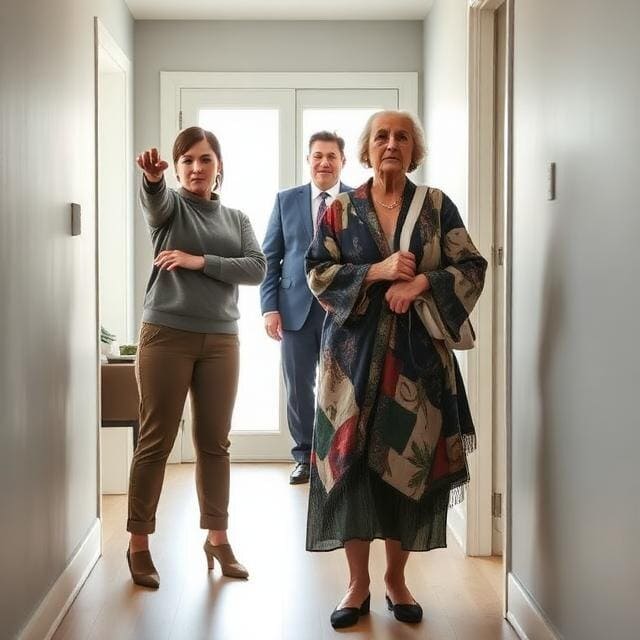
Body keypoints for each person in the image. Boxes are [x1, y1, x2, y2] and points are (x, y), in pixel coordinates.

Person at [304, 111, 487, 628]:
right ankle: (356, 584)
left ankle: (396, 580)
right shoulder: (341, 210)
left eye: (402, 136)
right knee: (351, 468)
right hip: (350, 365)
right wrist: (377, 272)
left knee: (407, 467)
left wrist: (422, 283)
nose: (391, 144)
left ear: (414, 149)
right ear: (367, 149)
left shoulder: (436, 206)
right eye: (381, 136)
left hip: (416, 367)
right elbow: (317, 271)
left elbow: (472, 265)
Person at [126, 126, 266, 588]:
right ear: (177, 167)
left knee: (214, 443)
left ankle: (218, 539)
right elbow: (155, 202)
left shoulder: (237, 219)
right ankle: (138, 544)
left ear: (219, 166)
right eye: (186, 160)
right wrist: (152, 180)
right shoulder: (170, 208)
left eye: (205, 159)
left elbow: (257, 268)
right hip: (166, 336)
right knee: (156, 441)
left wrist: (197, 261)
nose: (196, 168)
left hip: (221, 341)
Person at [260, 131, 352, 485]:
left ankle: (338, 459)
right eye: (318, 156)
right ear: (308, 160)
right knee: (298, 387)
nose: (324, 162)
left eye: (331, 156)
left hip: (342, 312)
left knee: (341, 387)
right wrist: (269, 308)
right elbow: (271, 258)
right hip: (295, 310)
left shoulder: (357, 200)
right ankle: (304, 456)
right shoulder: (286, 200)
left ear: (342, 161)